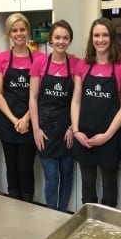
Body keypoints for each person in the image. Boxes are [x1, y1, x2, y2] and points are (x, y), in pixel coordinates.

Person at [70, 17, 121, 207]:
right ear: (91, 38)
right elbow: (76, 100)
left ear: (112, 38)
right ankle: (88, 225)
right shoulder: (83, 65)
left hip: (110, 137)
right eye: (96, 35)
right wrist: (76, 130)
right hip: (84, 136)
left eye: (105, 35)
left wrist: (108, 135)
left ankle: (106, 229)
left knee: (109, 186)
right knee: (87, 185)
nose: (101, 39)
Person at [0, 13, 43, 202]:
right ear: (8, 34)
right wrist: (15, 120)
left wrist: (26, 119)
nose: (19, 33)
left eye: (22, 29)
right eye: (14, 30)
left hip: (30, 123)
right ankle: (14, 205)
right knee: (11, 166)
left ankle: (27, 205)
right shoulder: (2, 59)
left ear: (28, 31)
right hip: (8, 123)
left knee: (25, 166)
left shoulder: (39, 59)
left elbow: (40, 94)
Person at [29, 20, 79, 212]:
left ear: (70, 40)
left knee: (67, 174)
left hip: (66, 130)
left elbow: (77, 101)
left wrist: (72, 128)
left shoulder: (76, 64)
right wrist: (36, 130)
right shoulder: (40, 62)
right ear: (50, 40)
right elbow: (33, 98)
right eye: (57, 37)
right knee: (51, 177)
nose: (61, 41)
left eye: (65, 38)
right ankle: (51, 215)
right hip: (45, 130)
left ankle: (62, 213)